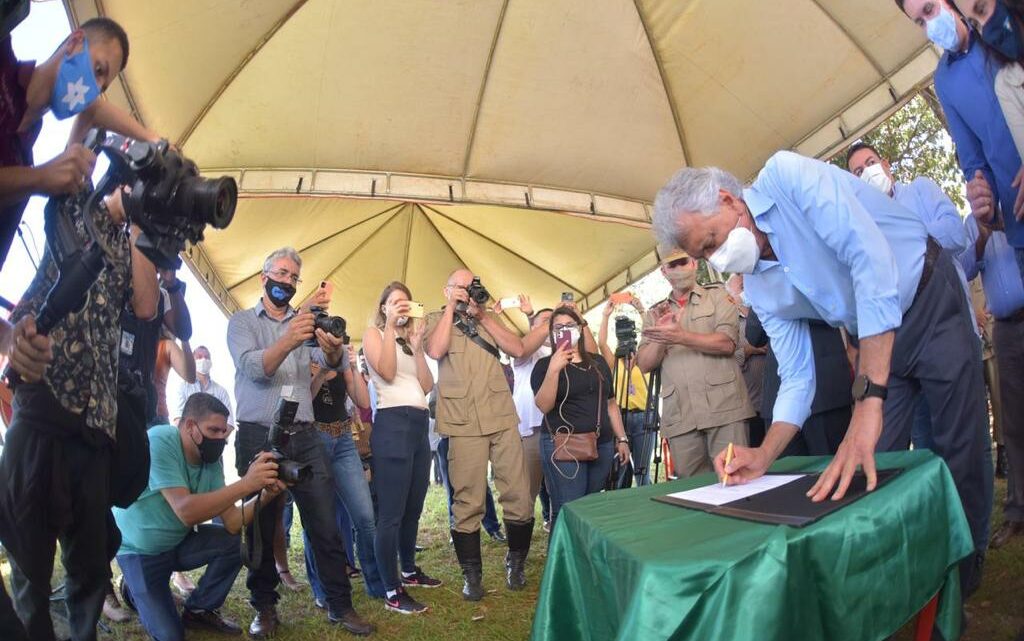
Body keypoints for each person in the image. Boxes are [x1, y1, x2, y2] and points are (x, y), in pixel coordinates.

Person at [651, 151, 991, 598]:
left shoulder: (788, 177)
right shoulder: (759, 287)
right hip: (876, 335)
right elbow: (795, 376)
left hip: (927, 295)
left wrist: (868, 402)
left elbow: (869, 259)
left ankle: (958, 588)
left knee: (958, 448)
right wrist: (764, 453)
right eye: (704, 255)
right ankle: (908, 582)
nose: (718, 259)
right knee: (880, 465)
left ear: (728, 199)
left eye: (712, 241)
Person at [0, 188, 159, 641]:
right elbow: (82, 127)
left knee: (89, 565)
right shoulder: (69, 210)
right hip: (42, 411)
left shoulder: (129, 243)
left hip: (95, 424)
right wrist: (114, 202)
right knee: (29, 562)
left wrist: (140, 224)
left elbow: (146, 306)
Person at [226, 247, 373, 637]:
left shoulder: (307, 322)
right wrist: (292, 338)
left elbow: (337, 365)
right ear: (264, 276)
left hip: (305, 434)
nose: (287, 282)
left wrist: (333, 349)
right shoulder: (242, 322)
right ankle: (265, 608)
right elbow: (256, 368)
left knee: (324, 522)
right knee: (262, 524)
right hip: (259, 433)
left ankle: (340, 605)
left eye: (294, 278)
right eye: (283, 274)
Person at [113, 393, 284, 641]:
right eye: (213, 430)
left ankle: (199, 609)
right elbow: (186, 511)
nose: (220, 439)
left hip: (177, 543)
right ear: (190, 425)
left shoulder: (209, 460)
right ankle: (131, 590)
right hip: (140, 552)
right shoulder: (160, 441)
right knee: (171, 636)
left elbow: (233, 522)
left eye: (224, 432)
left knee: (233, 543)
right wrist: (246, 484)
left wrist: (266, 495)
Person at [424, 269, 546, 600]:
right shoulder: (436, 318)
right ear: (447, 289)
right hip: (462, 424)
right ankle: (472, 575)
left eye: (472, 286)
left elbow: (518, 348)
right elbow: (436, 351)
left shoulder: (488, 318)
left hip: (501, 418)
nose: (468, 292)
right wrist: (452, 308)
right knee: (467, 501)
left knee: (519, 497)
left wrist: (483, 315)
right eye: (461, 287)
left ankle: (516, 563)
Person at [0, 17, 157, 269]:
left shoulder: (24, 156)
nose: (93, 89)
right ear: (74, 43)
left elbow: (93, 111)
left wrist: (154, 141)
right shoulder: (3, 58)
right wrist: (38, 178)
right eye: (98, 70)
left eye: (102, 86)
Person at [896, 0, 1024, 285]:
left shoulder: (997, 25)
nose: (929, 26)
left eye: (929, 10)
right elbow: (974, 161)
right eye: (920, 22)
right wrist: (983, 200)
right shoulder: (944, 79)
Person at [636, 245, 754, 478]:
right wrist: (662, 336)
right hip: (682, 417)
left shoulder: (719, 296)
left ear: (694, 263)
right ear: (664, 271)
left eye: (683, 262)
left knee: (735, 481)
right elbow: (644, 364)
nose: (679, 269)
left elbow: (726, 344)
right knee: (692, 491)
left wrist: (679, 336)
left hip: (725, 409)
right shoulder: (654, 314)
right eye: (673, 265)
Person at [363, 281, 441, 615]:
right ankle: (391, 590)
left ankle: (408, 570)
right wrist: (392, 329)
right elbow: (388, 372)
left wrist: (418, 346)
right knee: (390, 515)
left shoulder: (408, 342)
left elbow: (426, 386)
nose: (402, 308)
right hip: (392, 425)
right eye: (395, 303)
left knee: (413, 505)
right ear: (383, 308)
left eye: (405, 303)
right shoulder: (373, 335)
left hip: (418, 425)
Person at [301, 340, 388, 607]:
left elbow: (362, 400)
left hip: (344, 439)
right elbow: (302, 401)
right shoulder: (300, 352)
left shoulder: (338, 356)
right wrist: (321, 372)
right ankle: (322, 590)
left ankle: (376, 583)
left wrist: (348, 364)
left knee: (365, 516)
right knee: (318, 521)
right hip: (313, 438)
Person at [531, 306, 630, 526]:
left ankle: (584, 558)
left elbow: (610, 403)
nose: (564, 330)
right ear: (551, 333)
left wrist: (621, 438)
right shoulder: (544, 365)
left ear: (580, 328)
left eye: (570, 325)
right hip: (563, 445)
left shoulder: (598, 363)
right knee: (568, 510)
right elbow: (543, 405)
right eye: (558, 327)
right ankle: (561, 559)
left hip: (601, 444)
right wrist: (554, 369)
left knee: (590, 508)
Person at [959, 209, 1024, 548]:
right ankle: (1017, 512)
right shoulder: (972, 224)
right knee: (1012, 424)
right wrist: (983, 238)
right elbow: (965, 269)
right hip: (1006, 331)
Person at [597, 297, 656, 486]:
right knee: (619, 471)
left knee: (642, 472)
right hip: (621, 419)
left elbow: (654, 336)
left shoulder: (644, 357)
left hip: (644, 416)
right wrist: (606, 315)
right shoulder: (614, 362)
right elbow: (601, 343)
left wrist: (641, 310)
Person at [506, 298, 554, 508]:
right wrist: (531, 317)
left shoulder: (566, 350)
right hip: (531, 430)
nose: (552, 324)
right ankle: (520, 528)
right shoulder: (527, 352)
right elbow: (525, 346)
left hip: (559, 428)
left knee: (559, 487)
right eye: (547, 321)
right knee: (526, 488)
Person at [724, 275, 769, 447]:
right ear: (730, 295)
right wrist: (749, 351)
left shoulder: (765, 312)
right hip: (751, 407)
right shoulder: (729, 324)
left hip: (778, 400)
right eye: (742, 286)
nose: (747, 290)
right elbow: (725, 362)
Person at [173, 346, 234, 425]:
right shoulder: (184, 388)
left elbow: (229, 423)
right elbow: (178, 419)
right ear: (192, 360)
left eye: (207, 357)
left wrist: (216, 436)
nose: (203, 360)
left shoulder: (221, 391)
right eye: (199, 357)